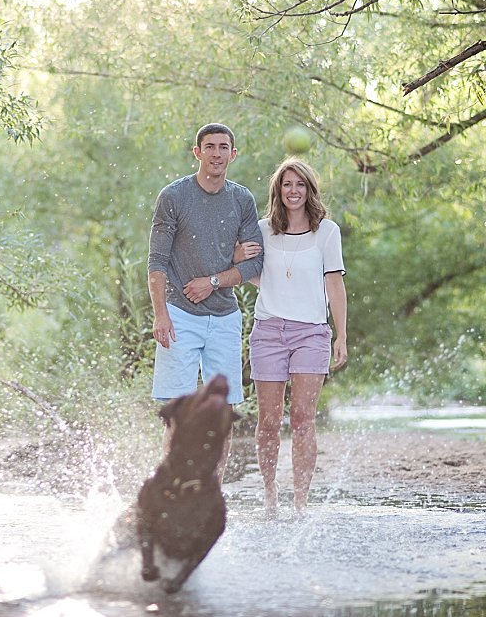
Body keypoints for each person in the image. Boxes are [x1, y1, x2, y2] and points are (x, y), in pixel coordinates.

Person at [147, 123, 264, 482]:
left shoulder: (242, 199)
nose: (216, 153)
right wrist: (160, 315)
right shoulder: (174, 196)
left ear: (233, 154)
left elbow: (255, 263)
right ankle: (172, 488)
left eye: (223, 147)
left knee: (222, 415)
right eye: (209, 147)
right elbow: (157, 261)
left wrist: (213, 281)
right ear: (197, 152)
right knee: (178, 413)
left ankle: (212, 490)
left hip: (225, 317)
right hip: (179, 315)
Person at [234, 158, 347, 516]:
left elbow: (335, 285)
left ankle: (300, 503)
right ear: (278, 190)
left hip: (311, 333)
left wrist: (341, 335)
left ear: (309, 190)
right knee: (268, 422)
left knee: (302, 419)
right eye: (287, 184)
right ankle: (270, 497)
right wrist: (241, 259)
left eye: (300, 184)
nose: (293, 190)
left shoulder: (327, 232)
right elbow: (247, 270)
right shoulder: (262, 230)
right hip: (268, 331)